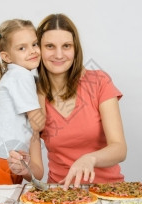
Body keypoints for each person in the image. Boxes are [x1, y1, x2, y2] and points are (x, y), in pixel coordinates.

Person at [8, 14, 127, 190]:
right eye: (49, 46)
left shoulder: (99, 82)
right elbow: (38, 171)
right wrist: (24, 167)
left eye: (66, 46)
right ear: (38, 49)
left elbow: (119, 148)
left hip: (108, 191)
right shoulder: (32, 97)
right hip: (60, 194)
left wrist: (90, 159)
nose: (58, 54)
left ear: (75, 49)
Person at [0, 19, 45, 185]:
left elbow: (38, 173)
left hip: (6, 162)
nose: (32, 51)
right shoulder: (21, 75)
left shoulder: (17, 75)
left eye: (35, 44)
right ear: (6, 56)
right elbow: (38, 124)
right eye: (22, 48)